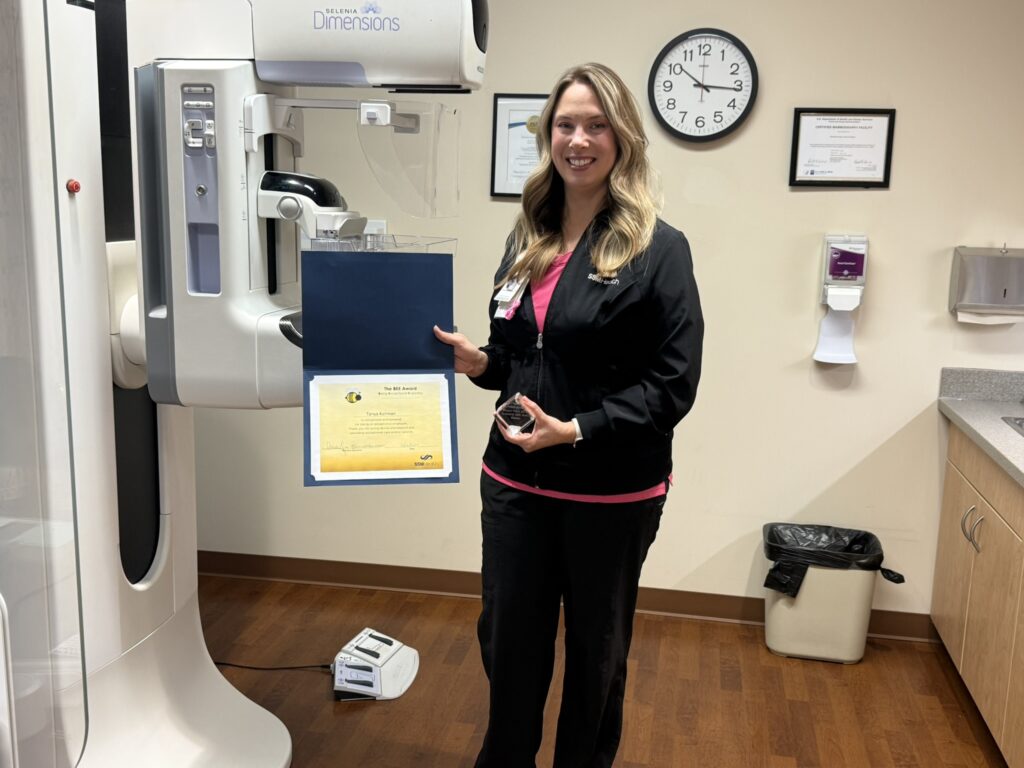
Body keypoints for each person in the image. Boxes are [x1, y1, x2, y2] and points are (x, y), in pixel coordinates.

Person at [434, 62, 703, 768]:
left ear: (622, 139)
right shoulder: (530, 235)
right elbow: (518, 353)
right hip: (517, 487)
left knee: (596, 657)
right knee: (510, 647)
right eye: (565, 125)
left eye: (595, 125)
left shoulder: (659, 249)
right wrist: (481, 364)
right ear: (548, 135)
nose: (578, 140)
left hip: (609, 494)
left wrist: (578, 429)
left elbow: (672, 385)